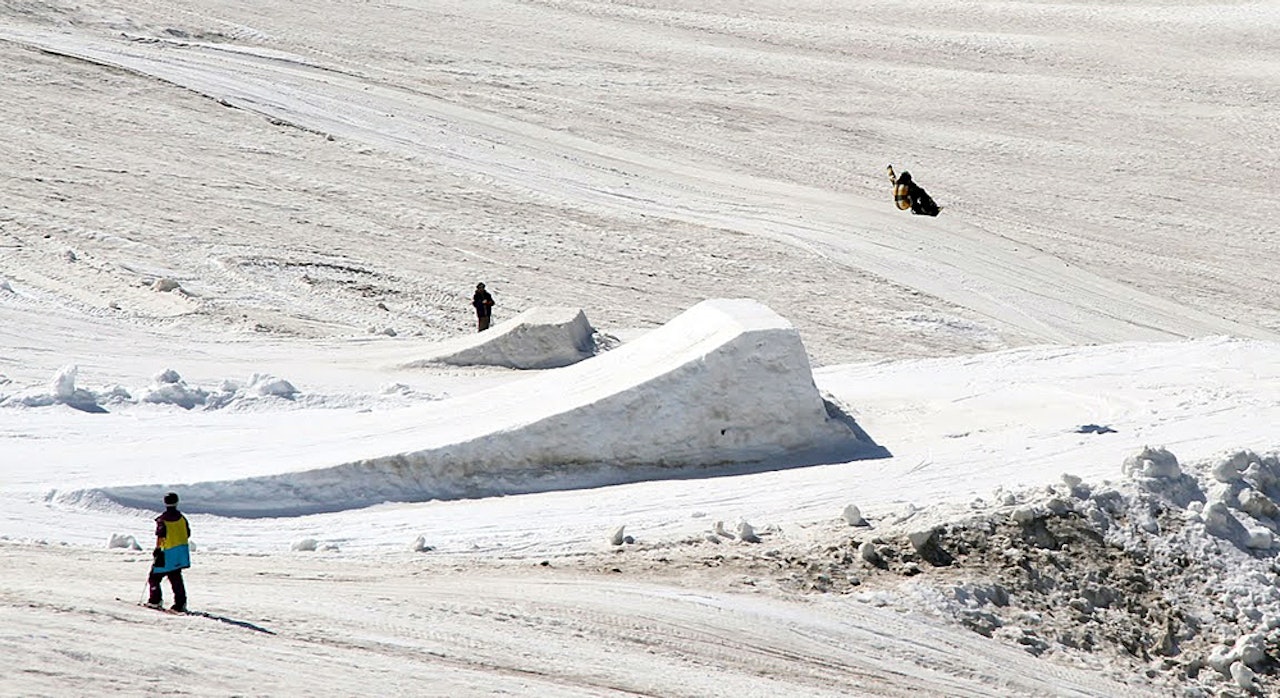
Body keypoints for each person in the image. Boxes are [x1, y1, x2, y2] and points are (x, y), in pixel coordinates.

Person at [147, 492, 191, 612]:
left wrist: (157, 550)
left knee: (154, 578)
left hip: (166, 553)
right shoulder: (182, 519)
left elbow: (161, 537)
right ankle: (180, 603)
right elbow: (188, 533)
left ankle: (155, 600)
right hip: (179, 553)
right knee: (175, 577)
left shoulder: (163, 520)